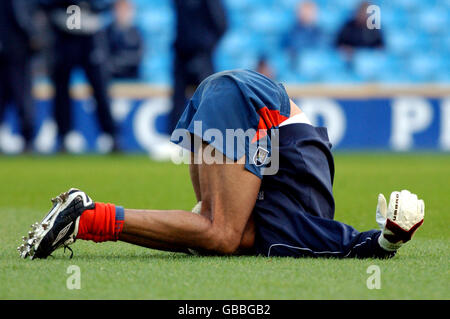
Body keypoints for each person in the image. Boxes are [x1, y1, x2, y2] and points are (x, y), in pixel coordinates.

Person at [18, 70, 424, 260]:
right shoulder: (293, 230)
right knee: (223, 234)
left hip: (224, 96)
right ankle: (87, 216)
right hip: (253, 108)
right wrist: (389, 239)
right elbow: (349, 243)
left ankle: (86, 219)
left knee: (213, 230)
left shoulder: (278, 220)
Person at [40, 0, 118, 153]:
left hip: (90, 33)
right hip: (63, 32)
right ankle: (64, 136)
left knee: (99, 87)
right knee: (61, 89)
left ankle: (111, 136)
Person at [169, 0, 227, 135]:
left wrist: (206, 46)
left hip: (202, 56)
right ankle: (174, 138)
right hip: (181, 54)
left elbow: (221, 23)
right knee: (177, 99)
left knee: (207, 98)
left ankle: (211, 136)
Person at [0, 0, 42, 152]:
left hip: (7, 49)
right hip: (16, 51)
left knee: (5, 97)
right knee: (22, 96)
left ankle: (27, 139)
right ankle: (28, 139)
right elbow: (21, 17)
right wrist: (34, 36)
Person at [107, 0, 143, 80]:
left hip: (132, 78)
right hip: (112, 77)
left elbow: (139, 56)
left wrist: (119, 60)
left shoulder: (136, 33)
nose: (122, 14)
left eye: (125, 10)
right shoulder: (107, 32)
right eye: (119, 10)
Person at [282, 1, 323, 67]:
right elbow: (292, 49)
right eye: (305, 11)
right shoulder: (291, 32)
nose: (308, 14)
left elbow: (322, 50)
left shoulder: (320, 32)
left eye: (310, 12)